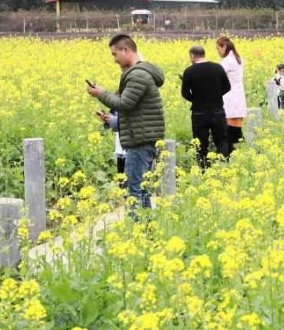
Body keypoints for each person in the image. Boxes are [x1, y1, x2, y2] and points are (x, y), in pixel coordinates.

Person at [87, 34, 165, 209]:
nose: (114, 59)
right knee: (142, 188)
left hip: (140, 139)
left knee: (134, 190)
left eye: (115, 54)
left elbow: (124, 104)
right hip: (143, 137)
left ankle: (136, 230)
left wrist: (101, 94)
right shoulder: (141, 73)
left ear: (126, 50)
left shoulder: (137, 75)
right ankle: (146, 230)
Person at [181, 45, 231, 169]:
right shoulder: (217, 68)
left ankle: (203, 169)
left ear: (192, 55)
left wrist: (197, 100)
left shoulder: (189, 71)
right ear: (204, 54)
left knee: (200, 144)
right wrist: (216, 96)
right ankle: (224, 168)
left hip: (199, 113)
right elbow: (227, 87)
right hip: (218, 111)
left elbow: (185, 93)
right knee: (222, 141)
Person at [216, 36, 247, 156]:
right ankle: (238, 155)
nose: (218, 52)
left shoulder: (226, 62)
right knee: (237, 128)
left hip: (229, 98)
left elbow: (218, 78)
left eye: (218, 48)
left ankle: (229, 155)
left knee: (229, 130)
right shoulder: (238, 59)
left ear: (224, 46)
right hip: (238, 97)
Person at [95, 109, 126, 174]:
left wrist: (110, 119)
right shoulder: (117, 103)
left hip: (132, 148)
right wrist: (106, 119)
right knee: (121, 178)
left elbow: (130, 120)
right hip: (121, 148)